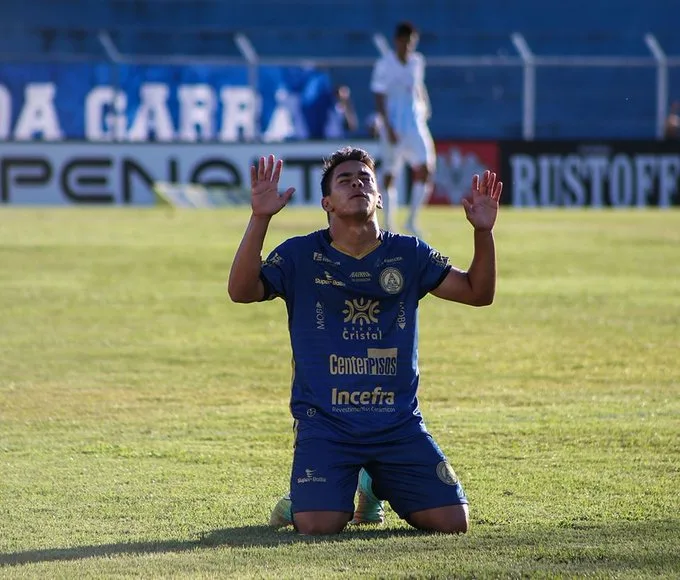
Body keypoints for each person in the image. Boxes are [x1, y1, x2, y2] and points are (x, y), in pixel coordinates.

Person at [227, 147, 502, 535]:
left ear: (379, 196)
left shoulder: (409, 253)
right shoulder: (300, 255)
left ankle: (372, 482)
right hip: (326, 424)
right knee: (319, 526)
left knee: (453, 522)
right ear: (327, 203)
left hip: (397, 424)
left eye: (365, 178)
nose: (357, 182)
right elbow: (241, 291)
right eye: (345, 180)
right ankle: (303, 501)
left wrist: (483, 232)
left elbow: (478, 292)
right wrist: (259, 218)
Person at [371, 22, 435, 236]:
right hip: (394, 126)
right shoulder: (384, 64)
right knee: (391, 174)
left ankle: (411, 220)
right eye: (406, 42)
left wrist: (426, 105)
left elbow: (418, 86)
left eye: (412, 43)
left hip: (415, 124)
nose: (408, 46)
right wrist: (387, 126)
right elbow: (379, 96)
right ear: (397, 40)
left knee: (426, 169)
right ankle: (388, 223)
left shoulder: (418, 62)